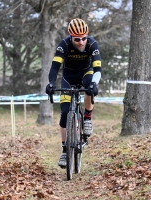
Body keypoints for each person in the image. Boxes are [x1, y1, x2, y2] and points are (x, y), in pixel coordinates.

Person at [45, 18, 102, 168]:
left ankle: (87, 118)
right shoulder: (64, 45)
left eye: (84, 38)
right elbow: (55, 68)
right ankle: (65, 151)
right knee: (64, 113)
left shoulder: (92, 44)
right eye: (77, 39)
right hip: (68, 78)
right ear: (71, 37)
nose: (82, 42)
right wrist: (51, 83)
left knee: (89, 86)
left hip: (86, 74)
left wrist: (95, 83)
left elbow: (98, 70)